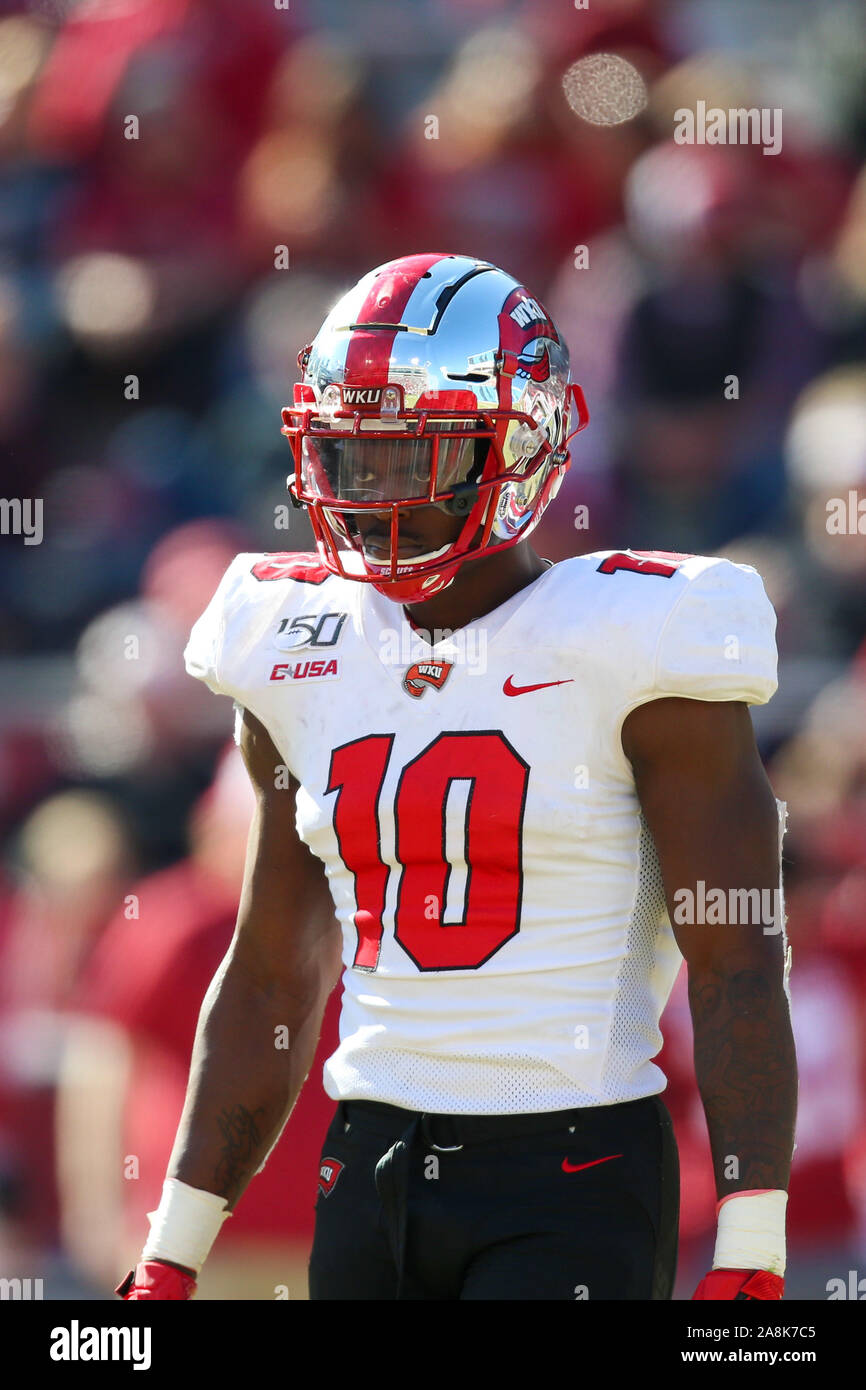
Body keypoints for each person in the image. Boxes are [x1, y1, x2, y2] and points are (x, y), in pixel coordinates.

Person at [117, 252, 797, 1301]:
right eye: (349, 458)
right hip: (367, 1155)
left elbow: (736, 957)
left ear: (522, 442)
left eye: (410, 457)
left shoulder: (640, 640)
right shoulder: (292, 643)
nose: (371, 495)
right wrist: (172, 1244)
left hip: (571, 1167)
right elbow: (271, 967)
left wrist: (752, 1240)